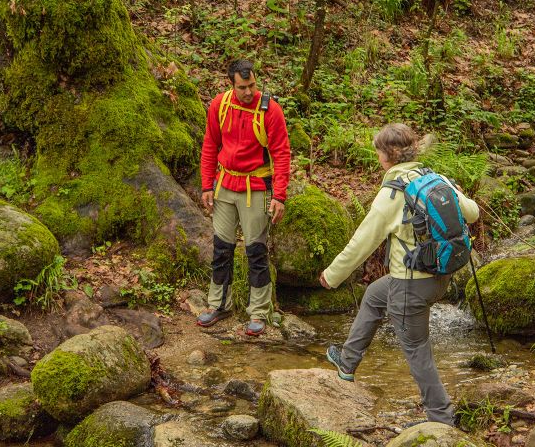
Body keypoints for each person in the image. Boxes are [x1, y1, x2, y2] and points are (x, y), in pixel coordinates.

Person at [319, 123, 479, 427]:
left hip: (410, 286)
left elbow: (362, 242)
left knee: (417, 349)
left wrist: (332, 275)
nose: (378, 157)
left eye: (379, 152)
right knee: (375, 294)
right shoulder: (434, 178)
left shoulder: (392, 194)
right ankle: (347, 363)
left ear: (388, 156)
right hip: (440, 278)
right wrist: (455, 191)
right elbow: (472, 213)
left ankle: (441, 418)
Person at [197, 59, 291, 335]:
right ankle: (218, 304)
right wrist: (206, 185)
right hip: (225, 185)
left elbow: (282, 154)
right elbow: (210, 145)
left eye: (252, 85)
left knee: (256, 251)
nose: (249, 92)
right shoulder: (220, 105)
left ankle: (259, 312)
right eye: (242, 87)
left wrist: (280, 196)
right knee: (221, 248)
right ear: (231, 84)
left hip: (256, 188)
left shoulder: (270, 110)